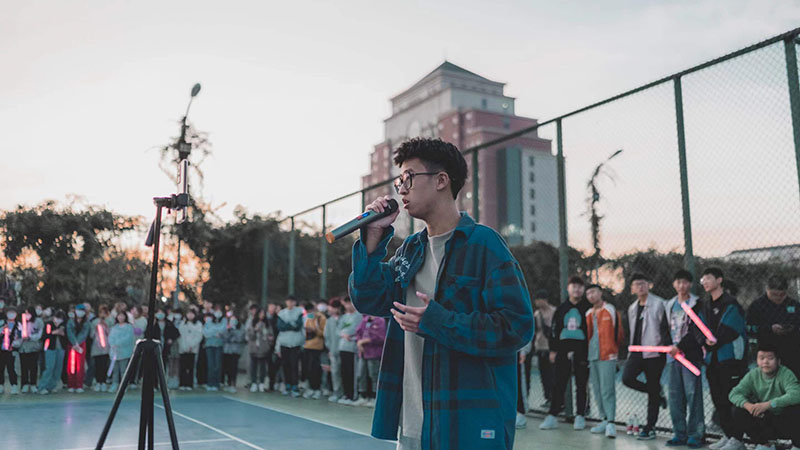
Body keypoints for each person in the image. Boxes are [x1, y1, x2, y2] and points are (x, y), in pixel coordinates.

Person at [348, 138, 533, 449]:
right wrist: (373, 237)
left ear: (441, 180)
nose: (401, 189)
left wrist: (437, 322)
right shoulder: (410, 249)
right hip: (413, 424)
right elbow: (368, 297)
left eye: (408, 178)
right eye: (399, 181)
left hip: (466, 424)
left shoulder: (484, 244)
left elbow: (516, 327)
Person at [684, 268, 748, 450]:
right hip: (712, 360)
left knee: (732, 398)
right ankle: (728, 435)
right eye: (702, 279)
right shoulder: (704, 305)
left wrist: (715, 340)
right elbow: (696, 326)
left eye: (708, 278)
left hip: (730, 359)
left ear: (719, 280)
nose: (704, 282)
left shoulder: (731, 304)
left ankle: (738, 439)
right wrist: (703, 340)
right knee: (718, 399)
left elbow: (732, 329)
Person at [725, 342, 800, 450]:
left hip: (783, 418)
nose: (765, 362)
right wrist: (748, 406)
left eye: (770, 358)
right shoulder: (753, 374)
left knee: (796, 409)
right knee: (738, 409)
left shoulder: (786, 374)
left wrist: (769, 404)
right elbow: (734, 393)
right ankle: (764, 445)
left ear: (778, 361)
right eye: (761, 358)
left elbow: (796, 394)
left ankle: (797, 446)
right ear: (757, 361)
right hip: (764, 418)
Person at [622, 272, 669, 440]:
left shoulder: (659, 304)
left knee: (652, 388)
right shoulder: (632, 308)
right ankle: (657, 392)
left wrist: (663, 347)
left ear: (648, 285)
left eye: (643, 283)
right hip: (636, 352)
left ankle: (650, 427)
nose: (640, 287)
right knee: (627, 379)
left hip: (654, 353)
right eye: (636, 284)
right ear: (632, 289)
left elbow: (665, 328)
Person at [540, 276, 590, 431]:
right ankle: (552, 415)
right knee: (559, 383)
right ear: (568, 289)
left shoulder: (588, 308)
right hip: (562, 350)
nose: (577, 289)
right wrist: (553, 350)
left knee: (581, 384)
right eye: (574, 286)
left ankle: (580, 415)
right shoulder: (561, 309)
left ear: (583, 289)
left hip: (582, 351)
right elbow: (554, 330)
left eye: (580, 287)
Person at [667, 270, 705, 448]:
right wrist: (670, 347)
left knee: (692, 394)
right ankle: (679, 434)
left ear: (690, 284)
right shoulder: (669, 304)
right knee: (675, 396)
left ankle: (696, 435)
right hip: (673, 357)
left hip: (690, 356)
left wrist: (681, 346)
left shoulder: (697, 304)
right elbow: (664, 328)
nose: (681, 285)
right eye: (678, 282)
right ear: (674, 284)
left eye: (685, 282)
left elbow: (696, 330)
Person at [585, 284, 623, 438]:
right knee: (597, 390)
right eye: (588, 293)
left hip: (608, 355)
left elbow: (619, 332)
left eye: (593, 292)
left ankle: (611, 423)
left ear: (600, 293)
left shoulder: (610, 310)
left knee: (607, 389)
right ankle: (604, 419)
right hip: (592, 356)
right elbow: (588, 335)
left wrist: (614, 350)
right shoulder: (588, 313)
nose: (591, 295)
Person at [746, 274, 800, 378]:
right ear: (767, 289)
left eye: (782, 294)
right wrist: (769, 329)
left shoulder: (794, 305)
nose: (778, 298)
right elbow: (748, 328)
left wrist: (792, 328)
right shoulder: (757, 306)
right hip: (768, 351)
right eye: (774, 294)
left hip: (792, 351)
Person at [354, 314, 386, 406]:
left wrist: (365, 341)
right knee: (361, 374)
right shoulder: (365, 320)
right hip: (363, 353)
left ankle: (374, 397)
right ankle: (362, 396)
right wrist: (359, 342)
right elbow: (358, 332)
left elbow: (381, 337)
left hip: (374, 353)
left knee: (374, 375)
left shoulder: (380, 321)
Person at [277, 296, 305, 397]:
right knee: (286, 366)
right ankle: (287, 385)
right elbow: (280, 327)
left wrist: (288, 324)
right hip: (284, 343)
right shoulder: (281, 313)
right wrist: (292, 324)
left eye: (292, 301)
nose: (290, 303)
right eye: (288, 301)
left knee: (294, 365)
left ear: (295, 302)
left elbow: (298, 326)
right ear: (286, 302)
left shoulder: (299, 311)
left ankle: (295, 386)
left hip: (295, 343)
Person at [533, 289, 556, 409]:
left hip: (551, 347)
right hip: (540, 346)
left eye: (538, 300)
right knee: (544, 375)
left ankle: (556, 398)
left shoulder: (554, 311)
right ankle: (548, 398)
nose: (536, 302)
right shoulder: (537, 314)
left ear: (544, 300)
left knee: (553, 374)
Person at [336, 297, 362, 405]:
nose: (348, 306)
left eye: (350, 303)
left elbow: (358, 331)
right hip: (343, 347)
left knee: (352, 372)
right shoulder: (343, 317)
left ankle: (353, 395)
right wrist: (343, 334)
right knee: (344, 372)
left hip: (353, 348)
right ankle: (346, 394)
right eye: (346, 304)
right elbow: (338, 330)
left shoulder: (359, 316)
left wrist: (351, 336)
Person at [38, 310, 68, 394]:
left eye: (61, 318)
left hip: (61, 348)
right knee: (49, 367)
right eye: (58, 317)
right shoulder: (49, 324)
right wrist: (54, 332)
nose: (59, 320)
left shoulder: (64, 325)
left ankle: (52, 386)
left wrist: (63, 334)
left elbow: (67, 337)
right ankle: (42, 386)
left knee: (58, 368)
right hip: (50, 348)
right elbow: (45, 336)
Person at [302, 301, 326, 399]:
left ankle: (317, 389)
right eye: (307, 311)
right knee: (307, 368)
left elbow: (324, 332)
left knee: (315, 368)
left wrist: (315, 330)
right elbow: (306, 328)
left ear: (314, 309)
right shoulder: (309, 317)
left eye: (310, 310)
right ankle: (311, 388)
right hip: (307, 345)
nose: (309, 313)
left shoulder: (321, 318)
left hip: (317, 346)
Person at [246, 307, 274, 392]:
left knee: (263, 367)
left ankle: (261, 383)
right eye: (260, 313)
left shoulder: (267, 324)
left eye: (263, 313)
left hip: (263, 348)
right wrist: (255, 330)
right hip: (254, 348)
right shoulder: (252, 323)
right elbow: (250, 335)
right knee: (253, 366)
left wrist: (269, 341)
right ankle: (254, 383)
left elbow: (271, 335)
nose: (262, 315)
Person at [19, 305, 44, 393]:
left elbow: (40, 334)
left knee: (33, 367)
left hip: (34, 347)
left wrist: (30, 337)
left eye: (28, 313)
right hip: (23, 348)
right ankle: (25, 384)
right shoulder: (21, 321)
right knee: (24, 367)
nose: (27, 315)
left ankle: (33, 384)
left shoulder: (38, 321)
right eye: (25, 313)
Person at [108, 311, 135, 392]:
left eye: (122, 316)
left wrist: (118, 343)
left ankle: (124, 385)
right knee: (115, 370)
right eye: (119, 316)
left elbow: (128, 338)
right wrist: (113, 344)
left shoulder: (129, 327)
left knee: (123, 370)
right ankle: (114, 384)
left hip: (124, 351)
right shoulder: (114, 327)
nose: (121, 317)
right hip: (114, 352)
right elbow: (110, 337)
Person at [66, 304, 90, 393]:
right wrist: (74, 342)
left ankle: (79, 385)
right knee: (71, 365)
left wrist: (78, 343)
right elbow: (69, 332)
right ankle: (71, 384)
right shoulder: (70, 321)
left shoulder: (86, 322)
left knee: (80, 365)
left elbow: (84, 333)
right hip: (71, 345)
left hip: (81, 345)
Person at [177, 308, 202, 391]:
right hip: (183, 348)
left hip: (192, 349)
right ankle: (182, 383)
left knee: (190, 367)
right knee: (182, 366)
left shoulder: (198, 324)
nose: (190, 315)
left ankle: (189, 384)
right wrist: (184, 346)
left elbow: (199, 336)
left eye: (192, 314)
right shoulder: (182, 323)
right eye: (188, 313)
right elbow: (180, 336)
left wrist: (191, 346)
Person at [324, 298, 344, 402]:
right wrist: (330, 349)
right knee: (335, 372)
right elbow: (326, 336)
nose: (331, 310)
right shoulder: (329, 321)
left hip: (344, 350)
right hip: (333, 351)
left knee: (345, 372)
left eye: (333, 307)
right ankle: (337, 392)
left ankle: (346, 393)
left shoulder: (344, 319)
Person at [202, 309, 226, 391]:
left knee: (217, 365)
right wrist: (215, 332)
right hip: (209, 346)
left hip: (219, 346)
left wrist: (212, 331)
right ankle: (210, 383)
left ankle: (216, 384)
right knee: (210, 365)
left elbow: (223, 330)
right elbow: (205, 333)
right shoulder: (208, 322)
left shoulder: (223, 321)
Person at [89, 305, 112, 392]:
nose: (102, 314)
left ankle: (104, 382)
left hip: (106, 347)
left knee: (104, 365)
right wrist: (95, 329)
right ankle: (98, 382)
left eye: (104, 313)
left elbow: (111, 334)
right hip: (96, 347)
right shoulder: (94, 322)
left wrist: (106, 327)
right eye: (101, 312)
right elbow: (91, 335)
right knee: (97, 365)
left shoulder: (110, 321)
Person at [223, 312, 246, 393]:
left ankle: (233, 384)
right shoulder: (227, 327)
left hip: (236, 350)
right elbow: (225, 337)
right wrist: (229, 330)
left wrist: (233, 331)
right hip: (227, 350)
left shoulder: (241, 327)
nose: (233, 321)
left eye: (234, 319)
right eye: (231, 319)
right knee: (227, 368)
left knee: (233, 368)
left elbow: (240, 337)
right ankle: (228, 383)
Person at [0, 307, 22, 394]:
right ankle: (1, 385)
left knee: (11, 368)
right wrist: (2, 330)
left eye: (13, 312)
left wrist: (13, 345)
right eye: (9, 312)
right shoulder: (2, 323)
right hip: (1, 349)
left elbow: (20, 337)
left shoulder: (18, 325)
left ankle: (14, 385)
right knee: (1, 368)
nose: (11, 314)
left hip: (11, 350)